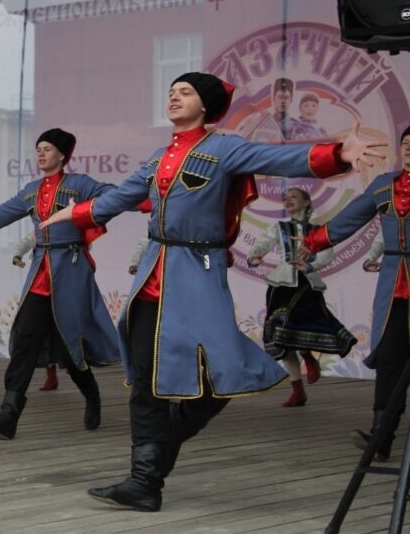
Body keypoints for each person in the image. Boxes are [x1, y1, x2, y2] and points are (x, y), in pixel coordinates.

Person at [40, 72, 382, 512]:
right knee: (144, 382)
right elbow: (120, 198)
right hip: (152, 278)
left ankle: (160, 452)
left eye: (185, 92)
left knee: (220, 374)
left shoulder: (225, 148)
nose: (174, 98)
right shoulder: (158, 157)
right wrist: (74, 213)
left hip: (198, 274)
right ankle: (144, 481)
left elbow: (278, 158)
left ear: (206, 104)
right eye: (170, 93)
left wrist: (338, 155)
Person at [0, 128, 120, 439]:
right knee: (24, 340)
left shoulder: (80, 185)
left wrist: (79, 211)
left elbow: (113, 195)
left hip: (71, 272)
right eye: (38, 148)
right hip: (40, 275)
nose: (41, 154)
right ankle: (8, 415)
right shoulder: (31, 190)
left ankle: (92, 396)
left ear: (62, 155)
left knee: (70, 347)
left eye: (48, 149)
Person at [300, 126, 410, 462]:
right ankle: (381, 437)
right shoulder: (384, 186)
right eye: (405, 143)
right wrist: (313, 242)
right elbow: (350, 218)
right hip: (395, 289)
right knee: (390, 360)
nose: (409, 148)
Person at [247, 188, 355, 406]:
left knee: (297, 323)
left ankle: (306, 355)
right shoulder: (279, 227)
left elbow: (327, 253)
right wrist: (256, 254)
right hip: (282, 283)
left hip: (306, 282)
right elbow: (263, 243)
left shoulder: (318, 230)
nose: (288, 200)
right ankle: (297, 388)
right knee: (280, 334)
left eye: (294, 197)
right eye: (286, 198)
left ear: (306, 202)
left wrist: (311, 265)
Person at [12, 233, 65, 391]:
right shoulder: (43, 231)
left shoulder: (69, 230)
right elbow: (27, 241)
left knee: (67, 329)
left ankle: (75, 364)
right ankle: (50, 374)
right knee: (41, 332)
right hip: (41, 289)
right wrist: (17, 255)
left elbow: (84, 245)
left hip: (63, 286)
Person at [238, 77, 296, 142]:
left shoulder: (297, 126)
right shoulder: (259, 121)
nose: (283, 101)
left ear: (291, 100)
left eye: (286, 98)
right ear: (274, 98)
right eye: (280, 97)